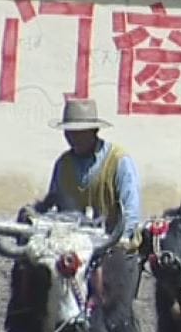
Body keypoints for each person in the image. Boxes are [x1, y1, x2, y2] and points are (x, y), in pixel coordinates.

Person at [33, 98, 141, 238]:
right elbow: (53, 202)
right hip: (71, 242)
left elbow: (131, 212)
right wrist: (36, 213)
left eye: (80, 133)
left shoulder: (118, 161)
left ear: (94, 131)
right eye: (69, 133)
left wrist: (121, 240)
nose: (74, 138)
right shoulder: (63, 164)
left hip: (112, 241)